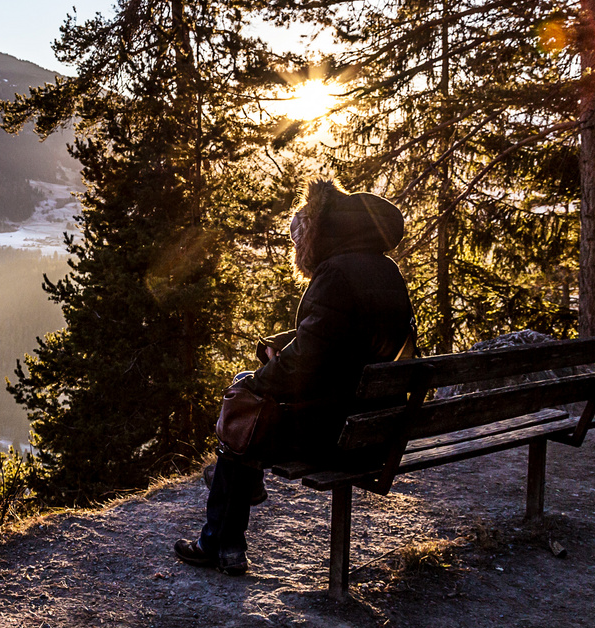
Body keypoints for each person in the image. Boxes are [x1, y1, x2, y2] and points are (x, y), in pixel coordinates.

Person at [175, 178, 417, 574]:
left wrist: (255, 382)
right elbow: (344, 339)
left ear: (324, 232)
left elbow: (306, 363)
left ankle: (219, 542)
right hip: (378, 425)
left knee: (246, 407)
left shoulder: (336, 274)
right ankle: (236, 500)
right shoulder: (385, 270)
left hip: (337, 437)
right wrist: (282, 350)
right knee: (251, 407)